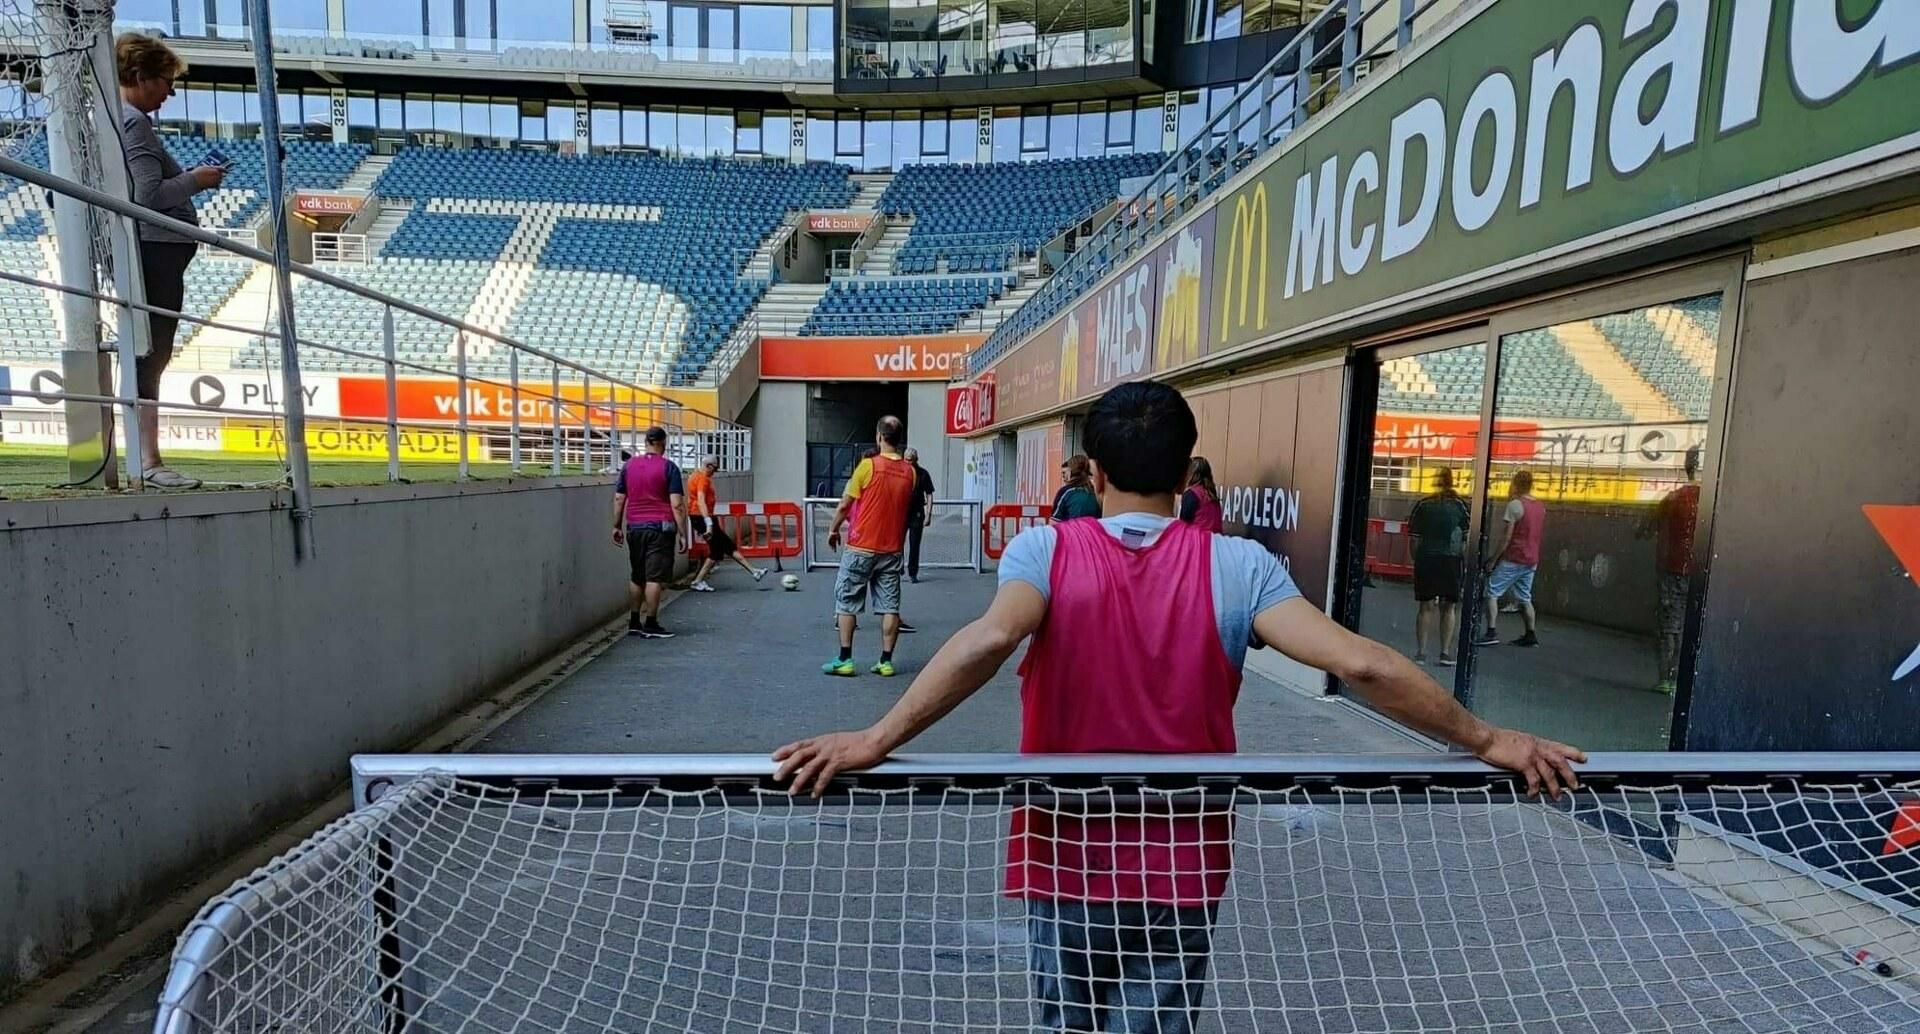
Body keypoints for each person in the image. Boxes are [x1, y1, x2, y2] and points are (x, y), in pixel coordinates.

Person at [774, 381, 1583, 1034]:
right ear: (1187, 464)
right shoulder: (1239, 566)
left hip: (1066, 853)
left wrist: (876, 737)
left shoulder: (1044, 551)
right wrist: (1489, 738)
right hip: (1182, 860)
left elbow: (989, 642)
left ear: (1091, 471)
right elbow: (1361, 661)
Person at [118, 33, 224, 489]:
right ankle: (149, 460)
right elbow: (148, 196)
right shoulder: (134, 122)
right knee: (151, 354)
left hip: (157, 250)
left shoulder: (121, 119)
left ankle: (145, 457)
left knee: (150, 353)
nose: (171, 92)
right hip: (155, 251)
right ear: (141, 76)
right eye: (166, 81)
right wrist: (196, 181)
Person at [822, 417, 919, 677]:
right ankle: (886, 661)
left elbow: (845, 504)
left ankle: (845, 659)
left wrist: (833, 529)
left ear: (879, 436)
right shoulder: (911, 472)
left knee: (847, 601)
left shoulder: (868, 466)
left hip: (861, 546)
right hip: (892, 549)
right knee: (890, 605)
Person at [612, 427, 689, 638]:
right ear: (662, 443)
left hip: (634, 527)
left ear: (646, 441)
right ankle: (652, 623)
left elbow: (619, 498)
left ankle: (635, 621)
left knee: (637, 575)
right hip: (660, 528)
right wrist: (683, 533)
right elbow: (677, 505)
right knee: (654, 577)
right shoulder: (669, 467)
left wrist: (617, 525)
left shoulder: (629, 466)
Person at [1640, 445, 1702, 695]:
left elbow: (1645, 529)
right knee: (1694, 626)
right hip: (1701, 574)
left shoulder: (1673, 499)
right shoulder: (1712, 501)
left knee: (1669, 626)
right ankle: (1687, 678)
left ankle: (1666, 676)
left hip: (1672, 570)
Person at [1407, 467, 1471, 666]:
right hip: (1451, 560)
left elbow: (1414, 540)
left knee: (1426, 607)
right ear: (1452, 482)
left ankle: (1421, 652)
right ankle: (1444, 652)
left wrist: (1416, 559)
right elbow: (1466, 539)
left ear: (1435, 481)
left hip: (1427, 558)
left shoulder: (1423, 505)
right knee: (1449, 607)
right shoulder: (1461, 506)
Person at [1478, 470, 1545, 648]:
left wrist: (1493, 559)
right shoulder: (1540, 506)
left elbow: (1506, 537)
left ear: (1515, 484)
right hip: (1531, 558)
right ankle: (1530, 634)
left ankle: (1491, 631)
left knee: (1492, 591)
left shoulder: (1515, 505)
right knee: (1524, 597)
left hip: (1515, 557)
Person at [686, 454, 767, 592]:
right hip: (703, 517)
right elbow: (701, 500)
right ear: (709, 466)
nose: (715, 472)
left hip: (701, 517)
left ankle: (754, 571)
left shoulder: (694, 476)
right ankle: (698, 580)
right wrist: (708, 523)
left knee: (727, 545)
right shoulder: (703, 479)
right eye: (715, 469)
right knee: (717, 550)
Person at [903, 447, 936, 583]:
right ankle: (898, 566)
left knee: (915, 544)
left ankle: (912, 572)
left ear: (916, 460)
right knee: (897, 542)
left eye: (910, 460)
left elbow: (929, 494)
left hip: (917, 512)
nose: (908, 462)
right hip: (901, 512)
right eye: (906, 459)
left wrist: (928, 514)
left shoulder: (923, 474)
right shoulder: (900, 472)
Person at [1177, 456, 1222, 532]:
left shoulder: (1192, 493)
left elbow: (1183, 525)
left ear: (1191, 473)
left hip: (1198, 540)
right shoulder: (1211, 494)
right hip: (1214, 541)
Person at [1051, 454, 1100, 520]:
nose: (1063, 477)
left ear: (1071, 471)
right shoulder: (1096, 492)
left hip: (1071, 529)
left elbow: (1054, 522)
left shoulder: (1066, 492)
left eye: (1065, 473)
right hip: (1091, 530)